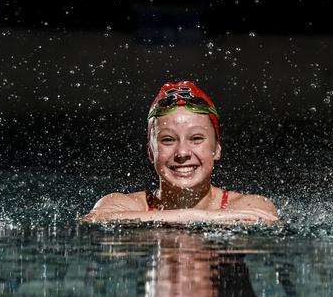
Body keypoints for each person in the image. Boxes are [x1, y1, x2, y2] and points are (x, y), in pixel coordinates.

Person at [82, 80, 278, 224]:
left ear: (217, 148)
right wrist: (192, 216)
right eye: (168, 140)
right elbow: (94, 220)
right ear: (151, 152)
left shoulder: (249, 204)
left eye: (196, 138)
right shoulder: (123, 204)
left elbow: (266, 219)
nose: (182, 152)